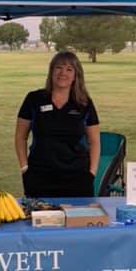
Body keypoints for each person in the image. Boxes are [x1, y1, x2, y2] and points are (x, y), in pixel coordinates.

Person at [15, 51, 100, 198]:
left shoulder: (84, 103)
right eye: (58, 67)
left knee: (77, 220)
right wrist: (24, 168)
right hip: (39, 177)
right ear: (51, 71)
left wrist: (91, 173)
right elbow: (20, 137)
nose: (63, 73)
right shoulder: (34, 99)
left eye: (69, 69)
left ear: (76, 75)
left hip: (77, 178)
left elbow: (94, 142)